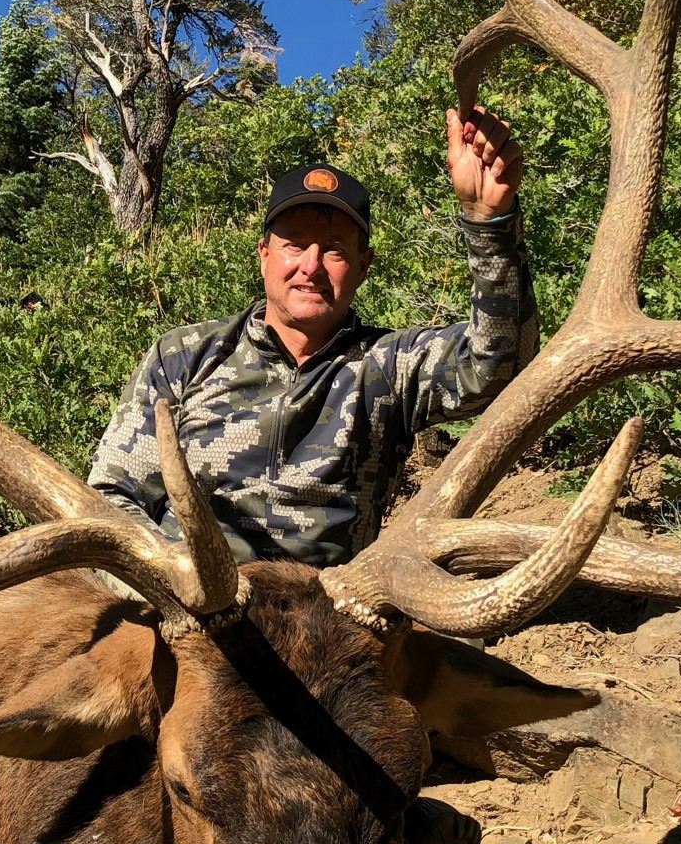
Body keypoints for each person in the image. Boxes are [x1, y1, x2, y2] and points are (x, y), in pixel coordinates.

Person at [88, 102, 538, 568]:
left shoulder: (390, 367)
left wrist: (489, 222)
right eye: (295, 245)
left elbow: (502, 367)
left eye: (335, 250)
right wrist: (175, 576)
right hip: (190, 594)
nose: (311, 266)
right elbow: (113, 495)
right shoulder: (186, 355)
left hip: (328, 606)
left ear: (363, 266)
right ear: (264, 254)